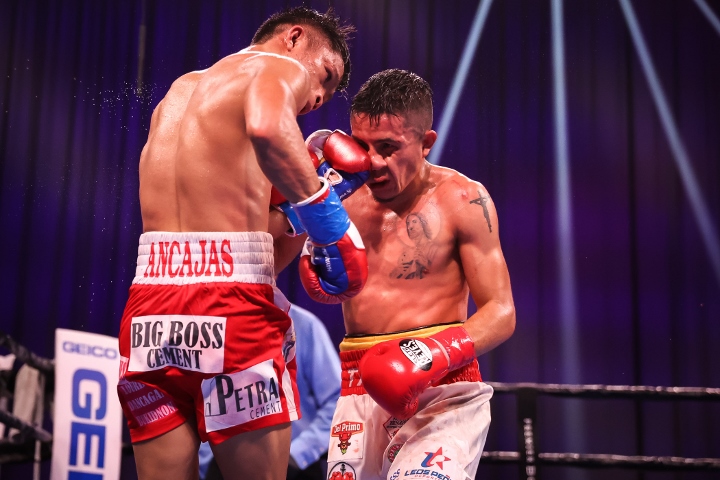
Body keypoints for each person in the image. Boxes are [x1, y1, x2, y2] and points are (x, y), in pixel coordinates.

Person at [115, 7, 366, 480]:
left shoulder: (180, 92)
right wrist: (328, 215)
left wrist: (296, 214)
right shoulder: (278, 67)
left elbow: (252, 251)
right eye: (325, 76)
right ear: (294, 38)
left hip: (149, 309)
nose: (316, 96)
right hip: (229, 307)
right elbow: (270, 127)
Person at [321, 69, 517, 480]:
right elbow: (271, 251)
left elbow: (501, 312)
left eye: (388, 147)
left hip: (444, 389)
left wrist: (429, 354)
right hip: (358, 384)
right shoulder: (341, 194)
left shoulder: (463, 199)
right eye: (362, 145)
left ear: (426, 143)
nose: (371, 161)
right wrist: (302, 199)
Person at [198, 303, 342, 480]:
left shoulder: (304, 325)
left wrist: (298, 454)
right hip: (221, 464)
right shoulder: (208, 325)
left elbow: (337, 402)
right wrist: (207, 461)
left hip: (294, 467)